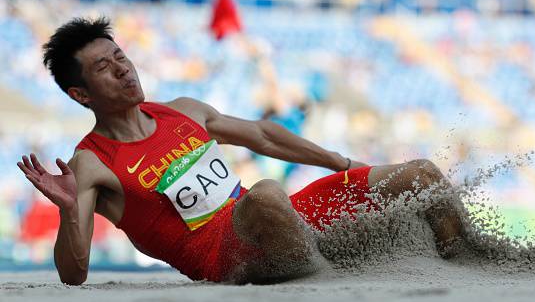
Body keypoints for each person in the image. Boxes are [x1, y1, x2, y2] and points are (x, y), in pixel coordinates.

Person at [17, 18, 465, 286]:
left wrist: (343, 164)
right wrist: (69, 210)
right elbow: (73, 275)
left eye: (120, 57)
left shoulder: (183, 112)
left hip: (277, 224)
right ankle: (329, 272)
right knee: (266, 195)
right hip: (224, 255)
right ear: (81, 94)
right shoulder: (91, 162)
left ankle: (466, 260)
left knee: (420, 174)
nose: (122, 70)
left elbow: (263, 136)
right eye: (103, 67)